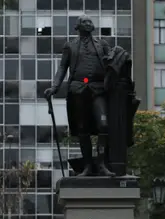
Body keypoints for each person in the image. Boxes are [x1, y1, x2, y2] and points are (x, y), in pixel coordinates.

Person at [44, 15, 115, 176]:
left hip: (98, 89)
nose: (89, 24)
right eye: (85, 22)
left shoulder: (102, 44)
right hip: (78, 90)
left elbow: (112, 63)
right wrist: (54, 87)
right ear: (78, 26)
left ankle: (102, 163)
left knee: (103, 125)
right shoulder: (70, 46)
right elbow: (62, 68)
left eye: (90, 22)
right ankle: (88, 166)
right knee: (83, 129)